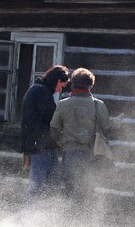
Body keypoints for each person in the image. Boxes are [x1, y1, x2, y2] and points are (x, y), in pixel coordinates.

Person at [50, 68, 120, 205]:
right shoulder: (98, 105)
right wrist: (118, 121)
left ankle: (71, 221)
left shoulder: (63, 104)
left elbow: (54, 128)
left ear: (73, 84)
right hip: (91, 154)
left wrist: (61, 144)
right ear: (90, 85)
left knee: (70, 189)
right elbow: (107, 127)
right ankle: (85, 221)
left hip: (70, 154)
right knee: (88, 190)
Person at [20, 65, 70, 204]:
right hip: (40, 145)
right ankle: (25, 217)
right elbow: (53, 119)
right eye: (62, 85)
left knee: (53, 183)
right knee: (37, 184)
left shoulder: (40, 90)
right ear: (58, 80)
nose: (60, 89)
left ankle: (46, 215)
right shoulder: (41, 92)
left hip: (46, 145)